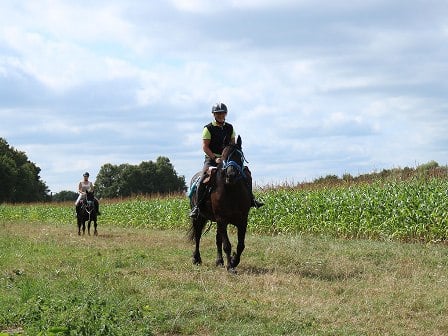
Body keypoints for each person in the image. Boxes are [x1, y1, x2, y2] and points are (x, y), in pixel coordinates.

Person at [189, 102, 263, 218]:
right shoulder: (208, 128)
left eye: (222, 113)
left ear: (226, 114)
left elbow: (232, 145)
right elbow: (205, 147)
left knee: (246, 174)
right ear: (214, 114)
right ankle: (197, 207)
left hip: (228, 159)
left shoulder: (230, 127)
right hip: (212, 159)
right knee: (202, 179)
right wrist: (215, 158)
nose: (220, 115)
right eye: (218, 113)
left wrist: (230, 157)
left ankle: (252, 199)